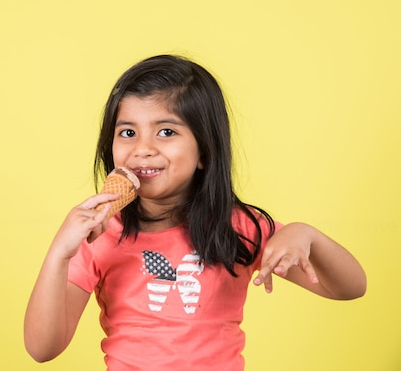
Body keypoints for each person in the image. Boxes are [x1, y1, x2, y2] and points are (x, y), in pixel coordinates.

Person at [23, 54, 366, 370]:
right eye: (127, 132)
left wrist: (306, 235)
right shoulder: (98, 234)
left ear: (204, 150)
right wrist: (59, 254)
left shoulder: (238, 226)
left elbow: (350, 288)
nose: (142, 149)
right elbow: (43, 348)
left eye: (166, 131)